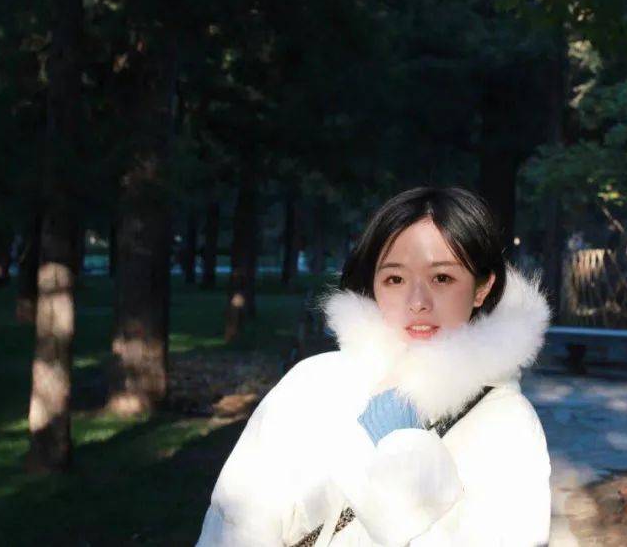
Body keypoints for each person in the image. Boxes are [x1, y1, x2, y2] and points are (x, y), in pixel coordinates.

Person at [196, 187, 552, 546]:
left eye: (441, 278)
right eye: (395, 279)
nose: (417, 302)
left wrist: (405, 456)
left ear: (482, 288)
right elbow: (235, 525)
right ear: (373, 284)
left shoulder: (508, 420)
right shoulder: (313, 382)